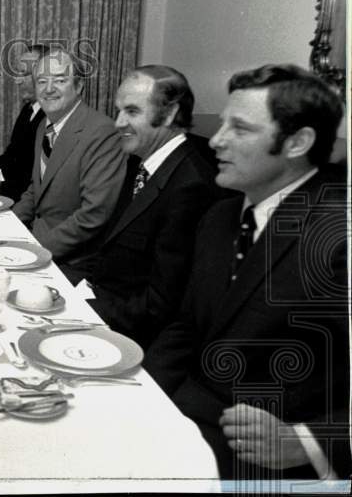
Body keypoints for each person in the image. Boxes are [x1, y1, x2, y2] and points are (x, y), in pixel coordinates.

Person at [145, 65, 350, 479]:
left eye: (239, 128)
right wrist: (137, 396)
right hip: (187, 415)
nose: (216, 140)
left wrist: (310, 441)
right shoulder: (221, 216)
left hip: (263, 459)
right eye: (222, 124)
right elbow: (186, 327)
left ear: (297, 142)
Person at [85, 66, 218, 347]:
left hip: (134, 337)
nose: (118, 122)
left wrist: (83, 307)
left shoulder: (191, 186)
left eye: (132, 112)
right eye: (118, 110)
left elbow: (161, 306)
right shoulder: (141, 160)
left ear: (169, 114)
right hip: (105, 301)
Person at [11, 48, 126, 276]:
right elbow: (37, 189)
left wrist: (36, 250)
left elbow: (93, 215)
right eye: (42, 81)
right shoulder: (45, 125)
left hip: (74, 261)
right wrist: (7, 224)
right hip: (37, 240)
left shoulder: (102, 132)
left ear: (79, 86)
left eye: (60, 80)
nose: (49, 89)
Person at [0, 44, 48, 200]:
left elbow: (40, 179)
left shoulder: (51, 118)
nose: (17, 80)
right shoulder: (28, 109)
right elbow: (12, 153)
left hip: (21, 201)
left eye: (23, 73)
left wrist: (2, 188)